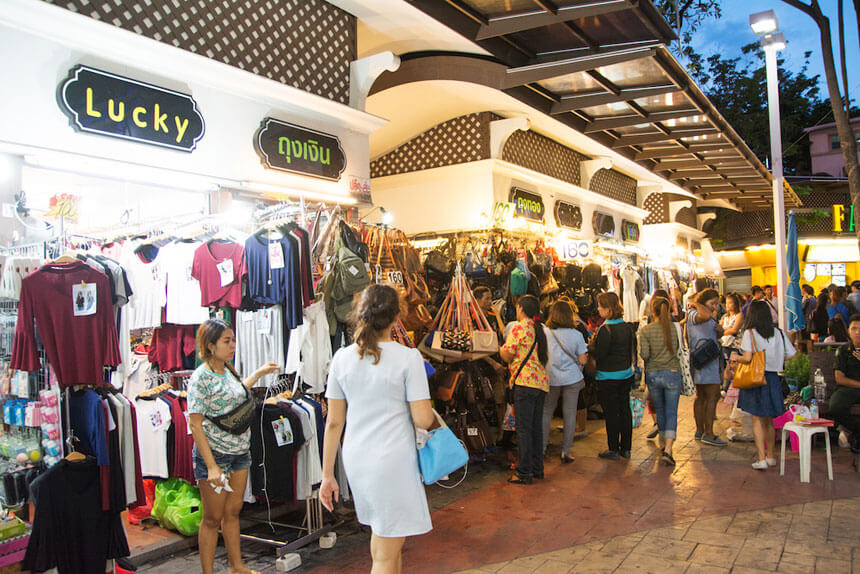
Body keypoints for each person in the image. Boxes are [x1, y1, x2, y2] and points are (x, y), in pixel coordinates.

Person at [320, 284, 435, 573]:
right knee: (386, 549)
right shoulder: (408, 358)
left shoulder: (342, 359)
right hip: (393, 461)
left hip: (357, 459)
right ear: (397, 317)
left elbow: (334, 422)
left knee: (384, 539)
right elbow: (423, 419)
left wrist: (326, 476)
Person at [187, 320, 279, 574]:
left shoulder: (228, 369)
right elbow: (195, 425)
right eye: (227, 341)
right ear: (210, 345)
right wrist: (212, 466)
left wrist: (258, 374)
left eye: (233, 340)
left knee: (233, 511)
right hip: (215, 455)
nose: (233, 346)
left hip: (240, 452)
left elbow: (235, 394)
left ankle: (236, 566)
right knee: (212, 518)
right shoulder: (200, 378)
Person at [734, 300, 796, 470]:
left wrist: (735, 358)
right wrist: (776, 359)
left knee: (756, 420)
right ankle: (770, 457)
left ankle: (761, 458)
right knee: (769, 420)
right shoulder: (779, 333)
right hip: (773, 379)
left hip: (756, 379)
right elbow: (792, 354)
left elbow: (747, 358)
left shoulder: (750, 333)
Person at [500, 294, 550, 484]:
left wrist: (499, 349)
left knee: (523, 429)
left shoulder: (519, 327)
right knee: (535, 428)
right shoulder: (539, 329)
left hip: (524, 383)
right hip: (540, 383)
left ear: (521, 308)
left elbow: (508, 354)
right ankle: (537, 468)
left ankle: (524, 472)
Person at [589, 292, 636, 460]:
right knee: (624, 410)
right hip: (625, 374)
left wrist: (591, 346)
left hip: (608, 377)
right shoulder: (627, 326)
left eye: (601, 306)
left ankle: (613, 448)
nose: (598, 309)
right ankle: (627, 448)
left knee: (611, 413)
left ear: (608, 309)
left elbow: (600, 354)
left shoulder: (605, 329)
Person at [542, 300, 588, 463]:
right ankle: (566, 451)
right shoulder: (577, 335)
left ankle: (542, 448)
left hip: (550, 377)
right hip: (572, 379)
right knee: (569, 414)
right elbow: (583, 360)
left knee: (547, 411)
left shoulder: (545, 332)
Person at [639, 297, 682, 466]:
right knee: (671, 411)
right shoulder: (674, 328)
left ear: (653, 311)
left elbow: (645, 355)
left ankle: (663, 442)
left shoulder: (646, 330)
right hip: (672, 372)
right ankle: (669, 449)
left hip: (653, 374)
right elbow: (678, 349)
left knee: (661, 409)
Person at [687, 289, 727, 446]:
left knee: (703, 397)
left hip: (707, 360)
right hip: (704, 361)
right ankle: (708, 433)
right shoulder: (694, 312)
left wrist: (720, 331)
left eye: (717, 303)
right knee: (711, 396)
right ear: (704, 302)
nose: (715, 307)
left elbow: (709, 333)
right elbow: (705, 316)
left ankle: (701, 431)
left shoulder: (701, 313)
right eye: (712, 303)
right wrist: (697, 303)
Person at [830, 314, 860, 453]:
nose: (857, 332)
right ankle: (857, 429)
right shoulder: (843, 351)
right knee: (835, 407)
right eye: (854, 328)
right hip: (847, 389)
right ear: (848, 330)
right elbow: (839, 378)